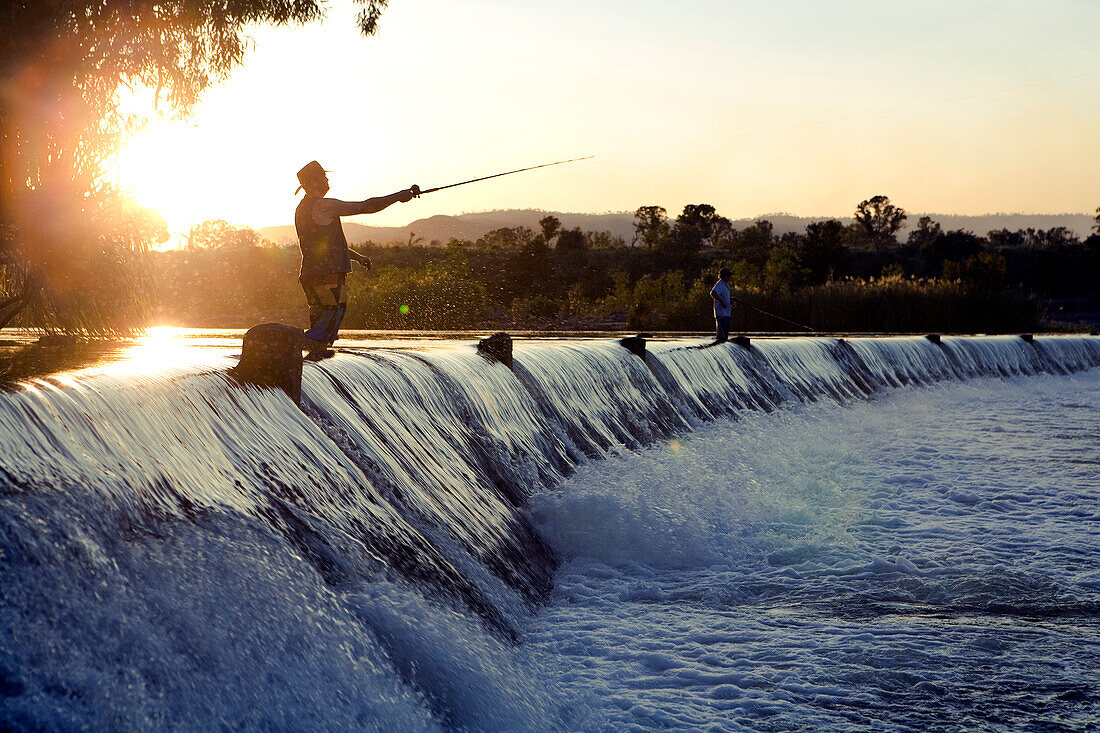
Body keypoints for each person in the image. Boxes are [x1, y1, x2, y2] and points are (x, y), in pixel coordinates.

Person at [294, 160, 419, 357]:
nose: (327, 181)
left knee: (323, 322)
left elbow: (323, 245)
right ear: (313, 181)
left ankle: (311, 354)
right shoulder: (323, 206)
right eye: (324, 177)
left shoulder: (303, 208)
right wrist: (398, 196)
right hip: (326, 276)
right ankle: (293, 342)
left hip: (313, 275)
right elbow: (367, 206)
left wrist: (357, 257)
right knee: (329, 318)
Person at [710, 267, 733, 343]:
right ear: (722, 276)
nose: (729, 277)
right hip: (721, 314)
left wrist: (730, 301)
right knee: (721, 336)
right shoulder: (719, 284)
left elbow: (724, 296)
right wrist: (722, 302)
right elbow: (713, 293)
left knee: (724, 335)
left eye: (729, 276)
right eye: (727, 276)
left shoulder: (726, 286)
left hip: (726, 314)